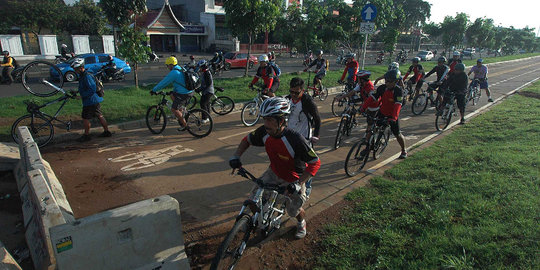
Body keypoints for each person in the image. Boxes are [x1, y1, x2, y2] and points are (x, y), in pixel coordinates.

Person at [229, 97, 321, 239]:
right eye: (264, 119)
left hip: (294, 178)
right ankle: (253, 221)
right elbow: (246, 140)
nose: (266, 124)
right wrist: (236, 156)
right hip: (274, 172)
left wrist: (298, 184)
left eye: (270, 120)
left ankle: (301, 222)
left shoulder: (295, 139)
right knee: (252, 201)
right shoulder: (265, 132)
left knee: (293, 210)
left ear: (282, 121)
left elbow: (315, 162)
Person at [286, 77, 321, 197]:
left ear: (303, 90)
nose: (294, 95)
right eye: (291, 91)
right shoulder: (288, 99)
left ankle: (308, 186)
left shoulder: (307, 101)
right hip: (290, 135)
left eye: (297, 92)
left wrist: (316, 135)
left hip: (304, 137)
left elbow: (317, 119)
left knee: (306, 164)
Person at [361, 69, 407, 159]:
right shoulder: (382, 88)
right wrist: (363, 108)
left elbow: (397, 106)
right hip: (382, 112)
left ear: (396, 81)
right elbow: (372, 98)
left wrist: (393, 118)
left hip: (392, 115)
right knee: (372, 130)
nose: (387, 83)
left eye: (390, 81)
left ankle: (404, 150)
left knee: (397, 134)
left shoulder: (398, 91)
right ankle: (367, 148)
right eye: (386, 81)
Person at [70, 58, 111, 142]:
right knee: (99, 115)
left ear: (81, 68)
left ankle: (87, 135)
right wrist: (77, 91)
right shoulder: (84, 75)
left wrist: (81, 96)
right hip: (94, 100)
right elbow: (85, 87)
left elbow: (92, 89)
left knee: (85, 117)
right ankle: (107, 131)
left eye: (76, 69)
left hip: (90, 101)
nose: (75, 71)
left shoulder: (87, 76)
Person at [151, 56, 194, 131]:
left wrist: (154, 90)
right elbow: (179, 82)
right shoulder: (180, 68)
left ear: (171, 65)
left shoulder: (174, 72)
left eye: (167, 65)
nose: (167, 67)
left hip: (184, 93)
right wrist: (173, 91)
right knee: (172, 95)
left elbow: (163, 83)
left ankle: (185, 125)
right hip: (189, 91)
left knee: (174, 109)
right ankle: (180, 111)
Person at [196, 59, 213, 124]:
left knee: (203, 103)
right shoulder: (205, 72)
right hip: (207, 91)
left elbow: (208, 83)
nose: (199, 68)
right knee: (207, 104)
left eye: (200, 67)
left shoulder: (206, 73)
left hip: (208, 91)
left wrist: (200, 89)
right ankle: (208, 117)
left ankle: (204, 118)